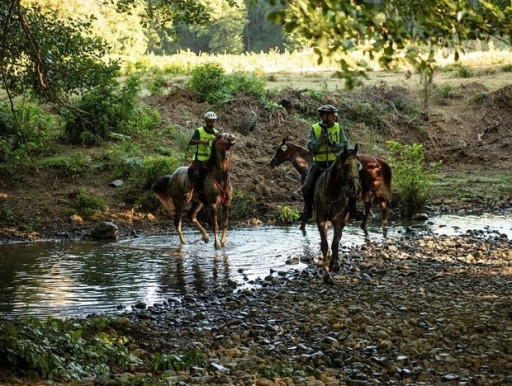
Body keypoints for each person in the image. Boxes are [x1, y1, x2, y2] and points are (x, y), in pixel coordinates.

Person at [299, 104, 349, 227]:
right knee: (306, 188)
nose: (335, 117)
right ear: (324, 116)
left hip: (335, 164)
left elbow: (344, 144)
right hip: (319, 164)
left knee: (351, 183)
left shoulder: (338, 127)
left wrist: (333, 143)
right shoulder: (315, 128)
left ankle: (352, 209)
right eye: (332, 115)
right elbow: (310, 147)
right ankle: (309, 211)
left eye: (334, 114)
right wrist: (320, 140)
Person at [185, 111, 219, 203]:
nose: (211, 123)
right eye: (209, 121)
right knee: (196, 174)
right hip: (199, 158)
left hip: (210, 159)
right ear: (206, 121)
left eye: (213, 121)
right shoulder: (199, 131)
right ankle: (190, 191)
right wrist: (201, 141)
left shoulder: (216, 133)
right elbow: (191, 142)